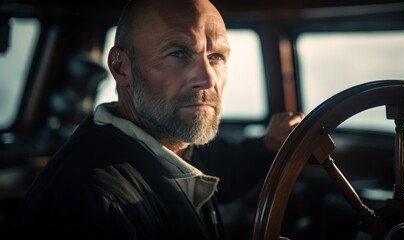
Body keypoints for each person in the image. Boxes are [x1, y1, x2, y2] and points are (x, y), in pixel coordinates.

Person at [15, 0, 304, 239]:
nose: (206, 79)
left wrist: (270, 144)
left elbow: (221, 165)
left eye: (216, 56)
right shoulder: (93, 204)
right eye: (178, 53)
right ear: (121, 67)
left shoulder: (167, 144)